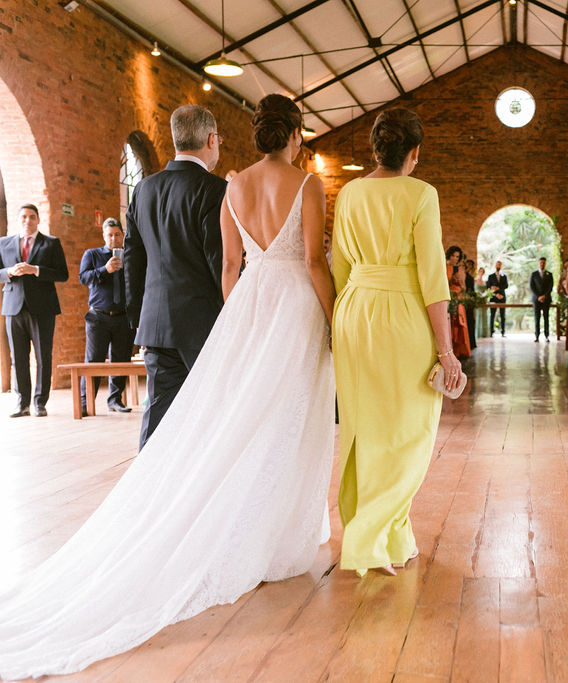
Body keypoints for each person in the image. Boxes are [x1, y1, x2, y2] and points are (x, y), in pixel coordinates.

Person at [0, 93, 337, 679]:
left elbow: (225, 270)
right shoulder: (303, 185)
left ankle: (174, 494)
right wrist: (330, 319)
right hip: (278, 311)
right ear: (297, 134)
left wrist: (235, 323)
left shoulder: (204, 187)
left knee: (195, 420)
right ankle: (266, 529)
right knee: (280, 417)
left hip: (217, 312)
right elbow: (311, 260)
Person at [331, 106, 459, 576]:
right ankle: (367, 540)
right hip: (402, 316)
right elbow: (432, 277)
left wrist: (335, 326)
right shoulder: (422, 194)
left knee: (365, 428)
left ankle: (391, 535)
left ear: (376, 148)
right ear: (415, 153)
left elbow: (339, 267)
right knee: (409, 430)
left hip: (354, 313)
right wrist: (446, 352)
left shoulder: (348, 192)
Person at [125, 104, 227, 449]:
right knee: (211, 414)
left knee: (158, 414)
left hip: (154, 324)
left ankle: (146, 495)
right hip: (202, 325)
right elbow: (220, 261)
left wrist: (137, 319)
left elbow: (132, 259)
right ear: (211, 140)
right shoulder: (214, 190)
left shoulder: (143, 189)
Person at [0, 203, 69, 417]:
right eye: (23, 217)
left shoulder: (51, 243)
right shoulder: (4, 243)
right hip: (13, 307)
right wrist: (9, 271)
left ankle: (40, 402)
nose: (27, 221)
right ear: (18, 219)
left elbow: (62, 274)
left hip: (43, 308)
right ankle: (23, 404)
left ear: (38, 220)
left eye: (32, 217)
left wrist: (35, 270)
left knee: (43, 356)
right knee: (18, 358)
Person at [78, 217, 133, 414]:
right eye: (109, 235)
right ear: (104, 236)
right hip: (98, 317)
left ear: (122, 235)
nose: (113, 238)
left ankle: (115, 400)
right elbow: (83, 277)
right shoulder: (92, 255)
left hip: (123, 316)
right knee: (94, 361)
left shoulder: (130, 255)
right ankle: (85, 403)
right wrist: (105, 270)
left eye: (117, 234)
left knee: (121, 360)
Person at [446, 246, 472, 359]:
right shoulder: (443, 267)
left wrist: (459, 283)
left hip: (458, 298)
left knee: (459, 324)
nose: (455, 258)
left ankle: (460, 350)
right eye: (453, 256)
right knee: (449, 324)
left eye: (457, 256)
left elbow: (464, 287)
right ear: (449, 255)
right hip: (447, 297)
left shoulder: (459, 269)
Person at [530, 256, 554, 342]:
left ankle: (547, 335)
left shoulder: (549, 274)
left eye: (543, 263)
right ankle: (536, 336)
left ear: (545, 263)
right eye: (541, 263)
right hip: (536, 300)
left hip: (546, 299)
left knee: (546, 317)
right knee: (537, 318)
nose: (542, 264)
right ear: (538, 263)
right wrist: (538, 296)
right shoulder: (534, 274)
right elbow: (532, 287)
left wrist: (544, 296)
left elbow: (550, 287)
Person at [486, 260, 509, 336]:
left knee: (503, 315)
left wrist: (498, 289)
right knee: (492, 315)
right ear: (495, 265)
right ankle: (491, 332)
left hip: (502, 297)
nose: (498, 266)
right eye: (497, 264)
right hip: (493, 297)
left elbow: (506, 286)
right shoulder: (491, 276)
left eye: (500, 265)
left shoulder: (504, 276)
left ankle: (503, 332)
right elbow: (488, 286)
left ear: (501, 266)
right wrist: (495, 294)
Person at [463, 257, 478, 350]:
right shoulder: (467, 277)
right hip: (465, 300)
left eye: (470, 266)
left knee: (471, 321)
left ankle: (471, 343)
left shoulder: (470, 277)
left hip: (469, 301)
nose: (468, 267)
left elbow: (472, 291)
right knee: (468, 321)